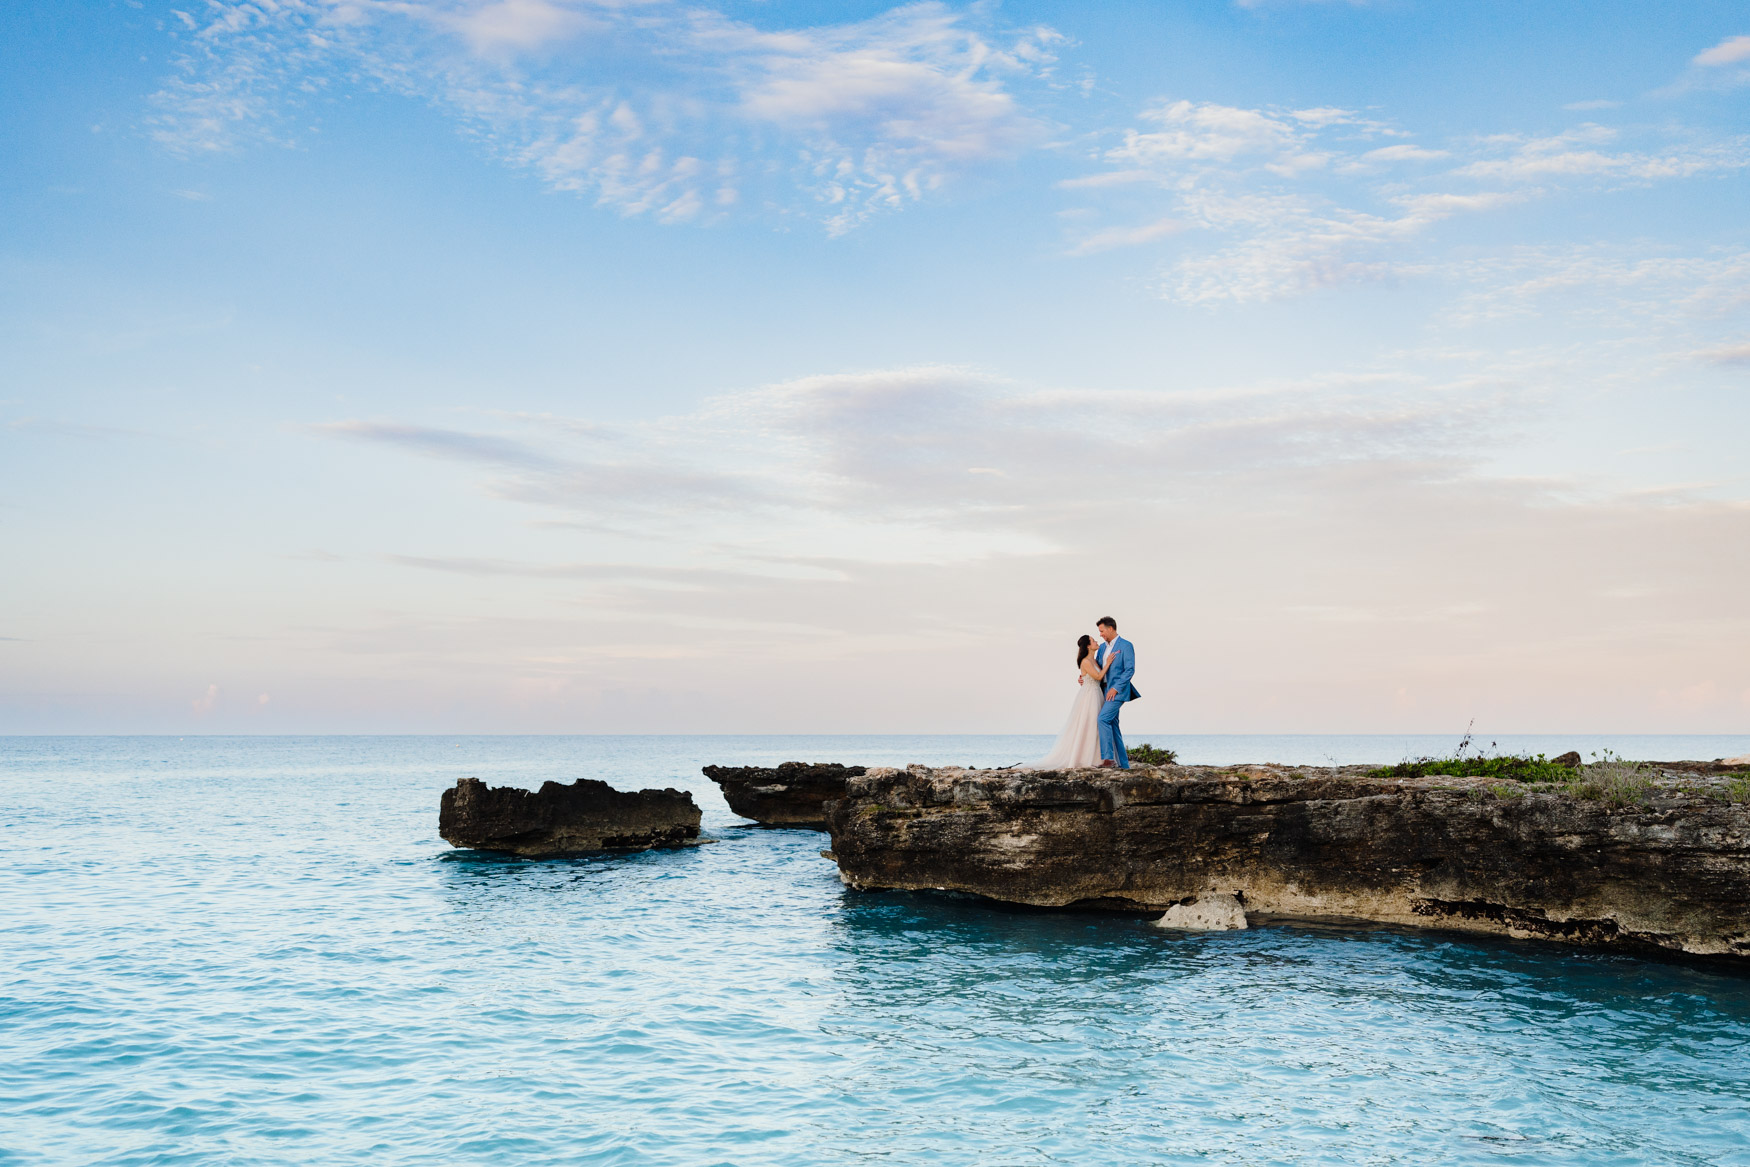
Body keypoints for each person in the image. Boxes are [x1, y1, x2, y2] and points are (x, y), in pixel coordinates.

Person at [1020, 633, 1113, 769]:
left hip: (1096, 694)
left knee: (1095, 725)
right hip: (1089, 696)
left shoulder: (1094, 660)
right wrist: (1108, 663)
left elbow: (1092, 676)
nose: (1096, 641)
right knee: (1087, 724)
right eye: (1093, 641)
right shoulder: (1086, 662)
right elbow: (1098, 676)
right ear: (1088, 646)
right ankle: (1085, 757)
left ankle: (1096, 757)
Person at [1092, 617, 1139, 769]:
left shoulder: (1126, 645)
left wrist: (1116, 688)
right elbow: (1098, 666)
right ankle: (1124, 764)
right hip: (1103, 689)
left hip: (1117, 691)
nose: (1100, 634)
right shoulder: (1102, 648)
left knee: (1103, 719)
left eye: (1102, 631)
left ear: (1110, 628)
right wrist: (1084, 677)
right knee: (1113, 724)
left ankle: (1108, 759)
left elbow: (1129, 669)